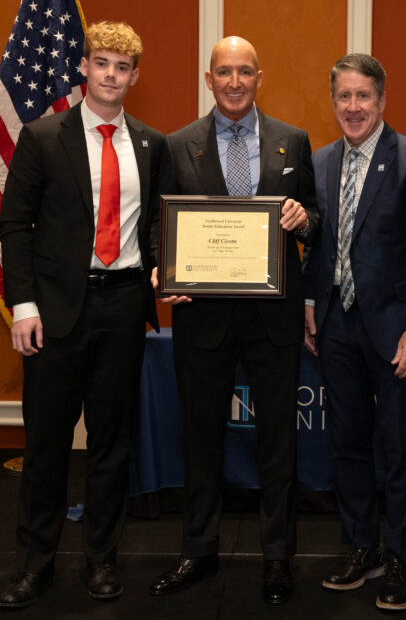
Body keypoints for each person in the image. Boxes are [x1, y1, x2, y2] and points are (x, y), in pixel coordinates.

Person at [0, 21, 164, 609]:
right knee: (46, 444)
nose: (111, 76)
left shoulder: (151, 142)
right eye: (102, 64)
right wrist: (23, 305)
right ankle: (35, 565)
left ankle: (101, 559)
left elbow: (160, 228)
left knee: (112, 444)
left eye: (123, 67)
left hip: (122, 307)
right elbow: (15, 226)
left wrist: (166, 269)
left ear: (135, 76)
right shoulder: (43, 137)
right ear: (85, 70)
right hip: (54, 311)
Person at [148, 36, 317, 605]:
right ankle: (198, 551)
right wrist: (159, 269)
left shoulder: (293, 140)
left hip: (274, 320)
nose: (236, 82)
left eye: (246, 72)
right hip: (203, 319)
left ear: (259, 77)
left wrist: (303, 218)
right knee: (201, 440)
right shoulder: (176, 146)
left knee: (278, 444)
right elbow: (158, 224)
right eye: (226, 72)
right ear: (209, 78)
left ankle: (277, 558)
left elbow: (314, 218)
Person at [303, 53, 406, 612]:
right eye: (344, 97)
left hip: (394, 330)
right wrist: (313, 303)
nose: (353, 107)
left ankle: (403, 559)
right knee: (347, 444)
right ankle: (362, 546)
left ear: (382, 101)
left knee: (402, 447)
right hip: (336, 324)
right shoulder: (319, 163)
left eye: (364, 96)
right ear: (333, 101)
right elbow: (317, 244)